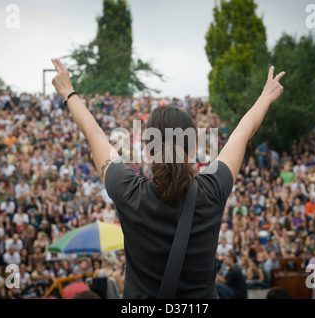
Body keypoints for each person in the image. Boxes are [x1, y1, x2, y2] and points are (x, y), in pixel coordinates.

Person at [50, 58, 285, 298]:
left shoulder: (129, 191)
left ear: (148, 151)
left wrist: (69, 93)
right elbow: (242, 133)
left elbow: (94, 136)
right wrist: (265, 98)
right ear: (193, 148)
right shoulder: (213, 189)